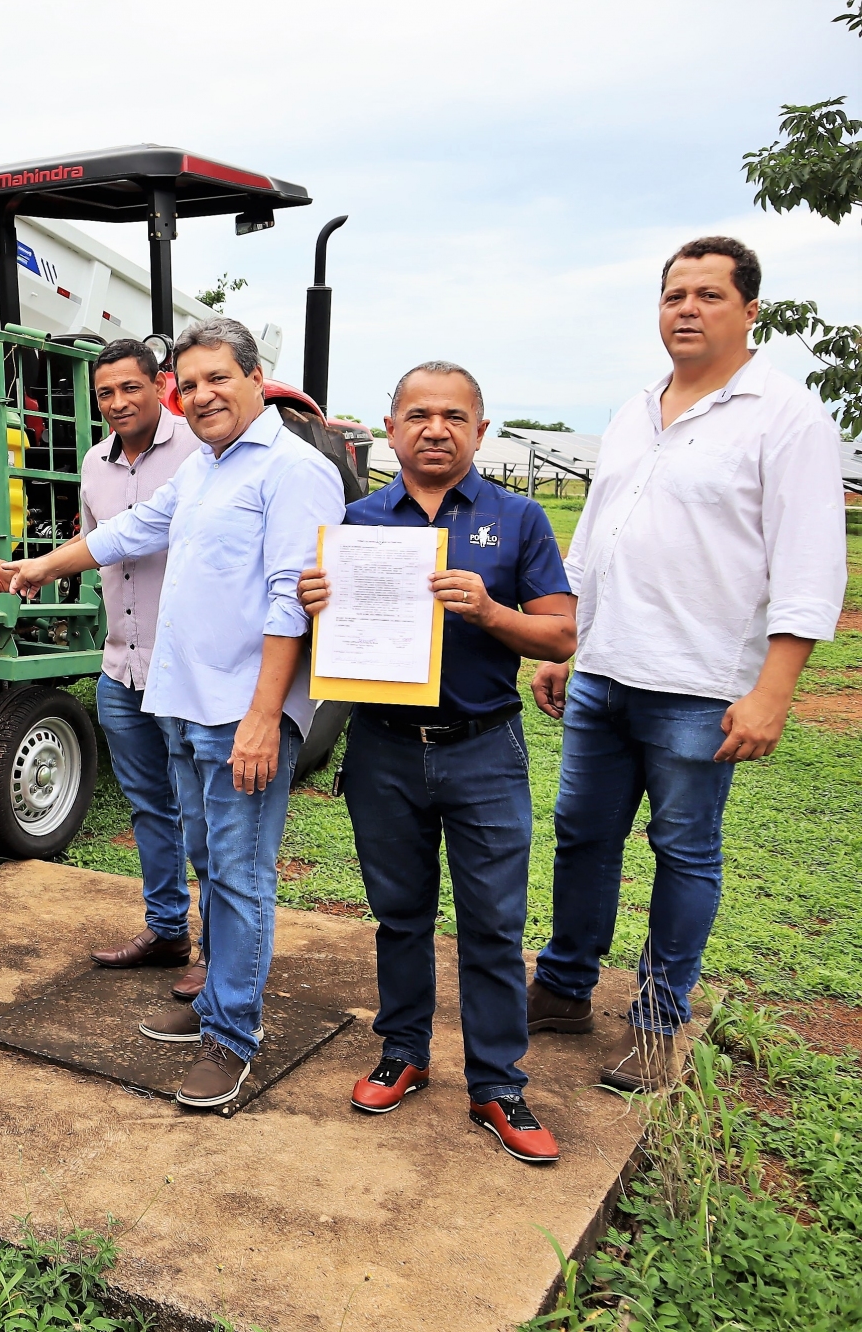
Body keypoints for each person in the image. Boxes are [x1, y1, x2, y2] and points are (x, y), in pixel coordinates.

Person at [0, 317, 345, 1111]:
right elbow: (131, 530)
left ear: (254, 377)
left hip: (238, 711)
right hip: (182, 701)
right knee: (211, 865)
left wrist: (263, 716)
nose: (204, 393)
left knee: (242, 878)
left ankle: (232, 1038)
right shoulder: (210, 467)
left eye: (220, 377)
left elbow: (293, 597)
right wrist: (35, 566)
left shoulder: (293, 468)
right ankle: (214, 1003)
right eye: (192, 381)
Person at [528, 237, 847, 1092]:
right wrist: (570, 641)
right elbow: (594, 540)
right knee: (582, 836)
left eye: (709, 294)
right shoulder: (636, 409)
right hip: (604, 670)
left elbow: (811, 563)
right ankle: (563, 986)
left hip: (702, 686)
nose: (687, 308)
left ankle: (659, 1022)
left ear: (750, 310)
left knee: (684, 851)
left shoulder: (785, 415)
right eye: (675, 294)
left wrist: (772, 689)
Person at [297, 361, 575, 1164]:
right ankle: (403, 1052)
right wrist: (321, 609)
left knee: (493, 922)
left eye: (455, 415)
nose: (435, 427)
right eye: (417, 413)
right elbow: (327, 645)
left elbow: (561, 634)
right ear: (390, 429)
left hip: (483, 747)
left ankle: (498, 1083)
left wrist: (490, 611)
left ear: (480, 431)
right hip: (383, 748)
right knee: (400, 914)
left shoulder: (517, 520)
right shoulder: (355, 523)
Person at [71, 340, 206, 998]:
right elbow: (94, 541)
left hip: (182, 669)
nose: (118, 403)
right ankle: (166, 929)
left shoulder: (199, 452)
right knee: (150, 807)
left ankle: (216, 949)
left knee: (203, 814)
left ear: (161, 385)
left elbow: (139, 535)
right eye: (105, 393)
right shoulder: (94, 462)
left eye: (130, 388)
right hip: (119, 666)